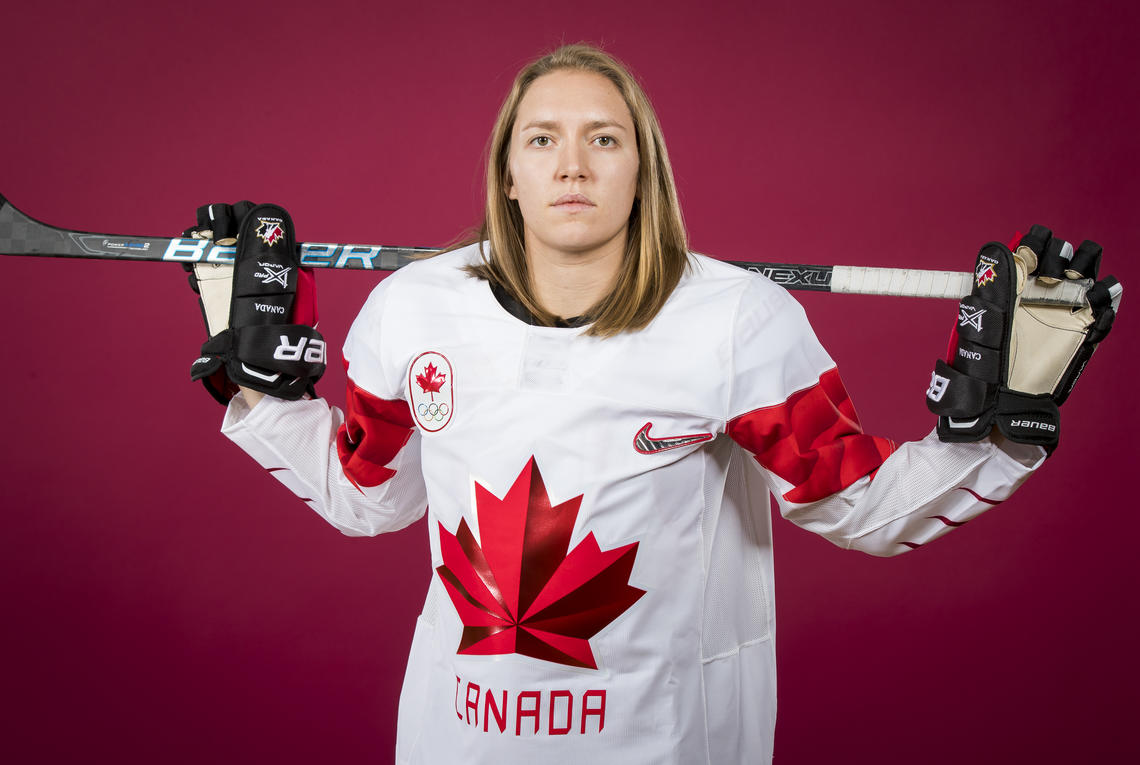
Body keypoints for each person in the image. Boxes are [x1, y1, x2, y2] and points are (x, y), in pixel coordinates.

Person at [183, 44, 1118, 764]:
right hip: (454, 741)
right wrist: (262, 390)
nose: (573, 164)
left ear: (643, 171)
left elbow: (859, 504)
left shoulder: (738, 323)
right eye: (542, 139)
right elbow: (369, 496)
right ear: (509, 173)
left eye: (605, 138)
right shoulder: (414, 308)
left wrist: (1006, 426)